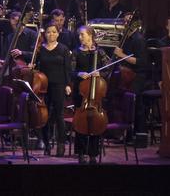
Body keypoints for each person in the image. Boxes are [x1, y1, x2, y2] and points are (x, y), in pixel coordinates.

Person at [31, 24, 73, 156]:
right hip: (44, 87)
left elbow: (67, 69)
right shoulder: (40, 50)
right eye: (48, 32)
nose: (51, 34)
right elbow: (35, 64)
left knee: (59, 115)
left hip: (59, 85)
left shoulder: (63, 49)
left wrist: (67, 84)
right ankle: (46, 144)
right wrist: (31, 65)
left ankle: (61, 144)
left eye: (54, 32)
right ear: (45, 34)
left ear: (58, 34)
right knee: (44, 117)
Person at [72, 26, 109, 163]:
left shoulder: (99, 52)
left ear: (90, 36)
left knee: (96, 123)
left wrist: (100, 73)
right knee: (80, 123)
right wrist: (79, 74)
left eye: (82, 35)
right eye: (79, 35)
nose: (80, 37)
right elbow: (71, 70)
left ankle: (93, 154)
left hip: (96, 93)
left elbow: (109, 69)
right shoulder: (76, 52)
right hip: (81, 93)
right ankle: (81, 153)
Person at [112, 11, 147, 144]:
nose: (126, 24)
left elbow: (141, 62)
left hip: (138, 76)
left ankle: (139, 137)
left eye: (129, 21)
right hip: (126, 76)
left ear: (135, 24)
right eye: (125, 21)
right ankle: (125, 134)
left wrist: (121, 55)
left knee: (134, 104)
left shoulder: (139, 39)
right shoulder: (125, 38)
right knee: (124, 104)